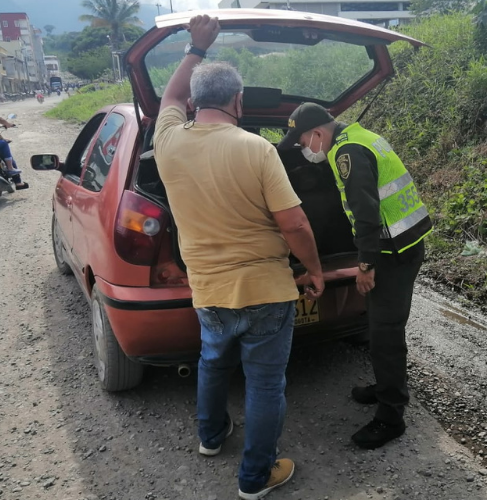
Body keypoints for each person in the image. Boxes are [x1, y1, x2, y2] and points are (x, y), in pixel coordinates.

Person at [153, 15, 324, 500]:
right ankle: (255, 477)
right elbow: (294, 224)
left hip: (207, 287)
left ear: (193, 103)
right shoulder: (257, 149)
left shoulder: (167, 141)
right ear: (238, 101)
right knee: (265, 384)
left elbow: (168, 99)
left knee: (213, 361)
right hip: (267, 290)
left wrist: (195, 47)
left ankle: (211, 438)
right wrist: (313, 271)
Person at [278, 102, 433, 450]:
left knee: (385, 334)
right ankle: (384, 387)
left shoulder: (345, 152)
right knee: (382, 325)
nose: (304, 150)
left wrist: (365, 265)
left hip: (393, 252)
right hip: (406, 242)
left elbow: (366, 213)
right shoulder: (361, 136)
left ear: (317, 133)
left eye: (303, 142)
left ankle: (391, 415)